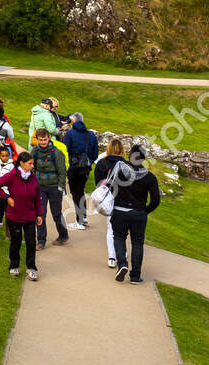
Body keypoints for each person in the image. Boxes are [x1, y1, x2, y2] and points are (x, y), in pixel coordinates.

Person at [108, 146, 162, 284]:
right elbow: (156, 200)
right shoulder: (149, 177)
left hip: (120, 210)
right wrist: (145, 211)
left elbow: (109, 188)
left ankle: (122, 264)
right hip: (139, 213)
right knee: (137, 244)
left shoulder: (120, 171)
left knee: (119, 238)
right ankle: (135, 276)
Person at [0, 151, 41, 281]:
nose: (32, 166)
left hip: (30, 216)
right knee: (16, 242)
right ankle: (14, 266)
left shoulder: (33, 177)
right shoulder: (12, 176)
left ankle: (31, 268)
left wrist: (40, 214)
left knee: (31, 242)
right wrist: (7, 197)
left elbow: (37, 197)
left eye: (33, 164)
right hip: (14, 217)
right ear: (21, 163)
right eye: (30, 164)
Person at [29, 128, 68, 249]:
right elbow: (31, 166)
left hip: (55, 188)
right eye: (40, 140)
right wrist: (34, 178)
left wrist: (61, 187)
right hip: (40, 188)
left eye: (45, 139)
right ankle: (41, 240)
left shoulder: (56, 153)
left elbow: (62, 172)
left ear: (49, 138)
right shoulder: (34, 151)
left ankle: (63, 235)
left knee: (56, 214)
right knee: (40, 214)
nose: (43, 142)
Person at [94, 138, 127, 268]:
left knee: (111, 229)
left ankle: (112, 258)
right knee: (122, 231)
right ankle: (122, 254)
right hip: (123, 199)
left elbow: (98, 182)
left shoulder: (101, 163)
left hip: (107, 199)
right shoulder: (127, 164)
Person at [62, 113, 99, 229]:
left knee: (76, 193)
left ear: (73, 121)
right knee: (80, 191)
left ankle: (80, 221)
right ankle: (83, 216)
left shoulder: (70, 134)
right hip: (85, 168)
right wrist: (88, 163)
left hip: (73, 168)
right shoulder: (91, 135)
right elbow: (95, 154)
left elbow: (65, 151)